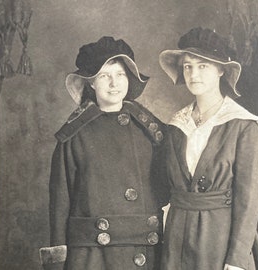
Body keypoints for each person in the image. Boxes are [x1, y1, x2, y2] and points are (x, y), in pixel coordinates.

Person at [39, 36, 169, 270]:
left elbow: (168, 190)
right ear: (90, 83)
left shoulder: (151, 131)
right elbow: (59, 204)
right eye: (104, 76)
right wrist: (58, 261)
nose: (114, 83)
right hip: (92, 255)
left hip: (145, 251)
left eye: (120, 74)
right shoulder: (73, 136)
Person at [158, 27, 258, 270]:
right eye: (187, 66)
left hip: (219, 240)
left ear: (221, 70)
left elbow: (249, 200)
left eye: (203, 66)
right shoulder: (176, 125)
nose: (193, 74)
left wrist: (237, 259)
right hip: (175, 240)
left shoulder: (243, 126)